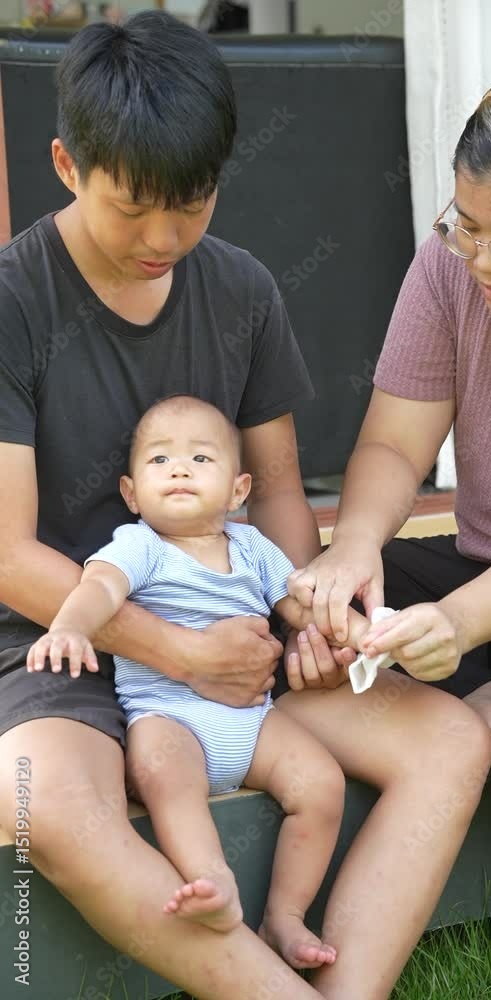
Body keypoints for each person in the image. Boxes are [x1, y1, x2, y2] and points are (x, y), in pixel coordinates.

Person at [0, 11, 491, 1000]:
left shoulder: (242, 291)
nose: (163, 239)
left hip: (236, 631)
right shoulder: (15, 299)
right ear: (65, 165)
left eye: (191, 205)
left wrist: (302, 613)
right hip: (63, 640)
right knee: (37, 803)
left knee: (451, 739)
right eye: (132, 208)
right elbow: (9, 554)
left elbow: (275, 491)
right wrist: (181, 653)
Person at [288, 69, 491, 859]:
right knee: (299, 614)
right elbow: (394, 445)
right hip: (485, 567)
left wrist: (459, 623)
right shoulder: (448, 270)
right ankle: (481, 703)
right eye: (465, 226)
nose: (483, 260)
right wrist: (354, 548)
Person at [27, 393, 375, 969]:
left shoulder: (253, 547)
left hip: (252, 720)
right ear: (131, 493)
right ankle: (214, 882)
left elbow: (299, 604)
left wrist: (362, 634)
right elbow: (100, 589)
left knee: (321, 783)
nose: (180, 469)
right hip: (169, 717)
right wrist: (69, 627)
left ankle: (285, 916)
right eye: (160, 459)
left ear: (239, 491)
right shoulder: (139, 545)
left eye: (201, 458)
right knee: (165, 777)